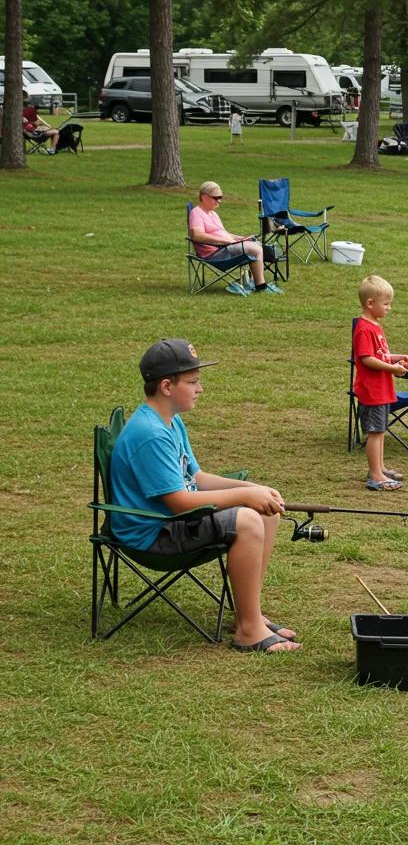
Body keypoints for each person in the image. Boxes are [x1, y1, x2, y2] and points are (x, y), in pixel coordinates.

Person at [109, 339, 301, 653]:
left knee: (264, 510)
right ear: (167, 386)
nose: (200, 389)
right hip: (153, 532)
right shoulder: (151, 434)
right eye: (194, 382)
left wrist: (253, 489)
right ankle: (249, 633)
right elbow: (179, 501)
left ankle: (248, 616)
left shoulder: (170, 422)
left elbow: (195, 478)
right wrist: (243, 498)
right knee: (248, 519)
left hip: (171, 521)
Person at [353, 275, 408, 491]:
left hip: (383, 388)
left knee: (380, 430)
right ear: (371, 303)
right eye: (386, 304)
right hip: (372, 390)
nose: (389, 308)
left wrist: (397, 358)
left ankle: (379, 468)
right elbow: (366, 359)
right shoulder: (364, 328)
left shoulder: (375, 325)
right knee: (375, 432)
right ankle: (375, 476)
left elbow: (380, 354)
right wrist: (393, 369)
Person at [188, 180, 283, 296]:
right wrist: (228, 242)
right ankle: (260, 286)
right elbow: (197, 236)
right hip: (215, 253)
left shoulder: (212, 213)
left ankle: (253, 282)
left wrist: (241, 238)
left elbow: (224, 233)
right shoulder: (196, 213)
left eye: (220, 197)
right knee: (255, 249)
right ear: (203, 197)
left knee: (258, 244)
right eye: (216, 197)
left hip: (225, 247)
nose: (219, 201)